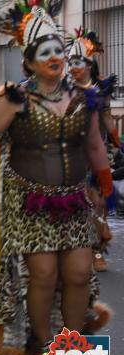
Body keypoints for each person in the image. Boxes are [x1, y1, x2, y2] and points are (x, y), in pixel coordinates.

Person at [0, 2, 112, 355]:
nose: (56, 58)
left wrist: (106, 187)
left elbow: (94, 147)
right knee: (42, 274)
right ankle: (41, 348)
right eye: (46, 53)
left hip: (74, 200)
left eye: (59, 50)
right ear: (28, 62)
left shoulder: (83, 98)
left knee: (77, 274)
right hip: (29, 204)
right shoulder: (12, 100)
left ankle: (70, 350)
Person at [67, 27, 119, 272]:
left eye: (79, 62)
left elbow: (108, 120)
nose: (73, 67)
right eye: (71, 62)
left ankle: (97, 250)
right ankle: (74, 249)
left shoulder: (101, 90)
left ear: (89, 64)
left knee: (98, 202)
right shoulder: (62, 91)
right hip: (70, 156)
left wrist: (119, 142)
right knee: (74, 204)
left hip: (97, 154)